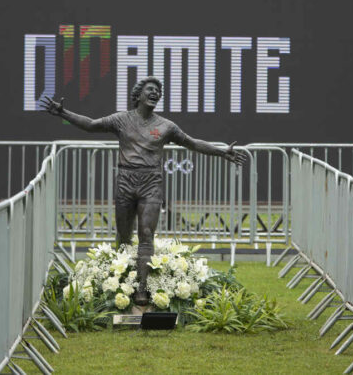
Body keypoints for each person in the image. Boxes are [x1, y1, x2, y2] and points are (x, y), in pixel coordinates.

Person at [42, 77, 246, 305]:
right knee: (124, 235)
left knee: (146, 234)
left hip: (151, 183)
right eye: (151, 89)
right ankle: (120, 283)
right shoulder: (121, 119)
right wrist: (63, 113)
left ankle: (141, 288)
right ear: (138, 95)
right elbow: (91, 124)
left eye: (158, 91)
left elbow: (192, 142)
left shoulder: (166, 126)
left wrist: (221, 152)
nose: (155, 93)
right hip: (126, 181)